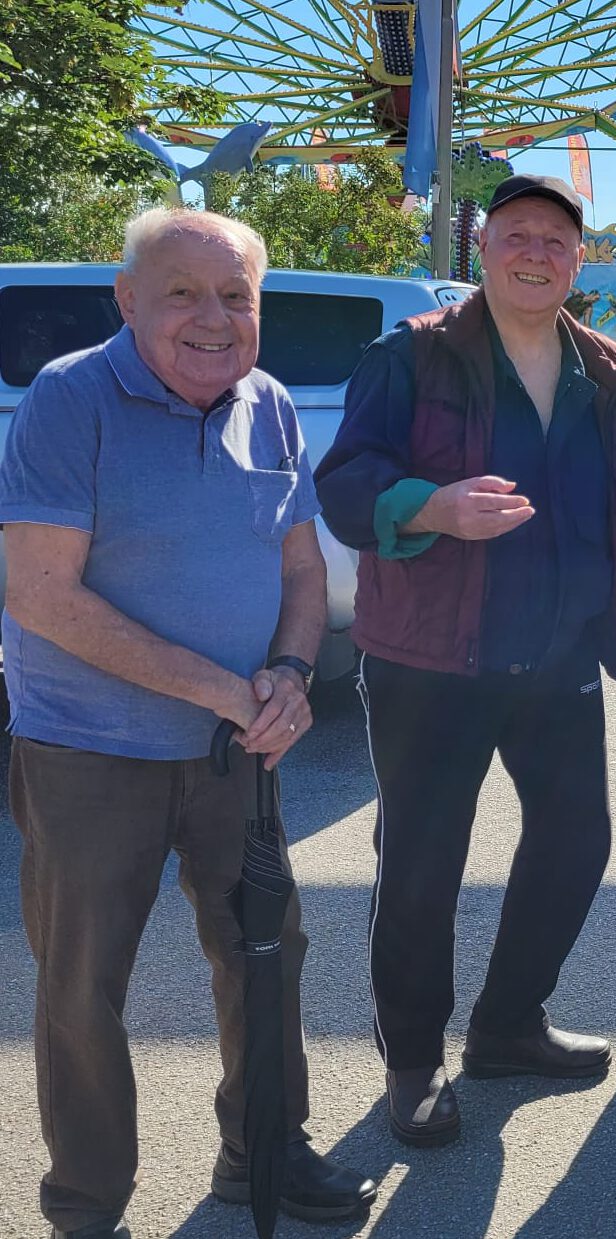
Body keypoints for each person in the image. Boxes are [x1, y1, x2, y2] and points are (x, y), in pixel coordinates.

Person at [0, 208, 375, 1238]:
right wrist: (221, 688)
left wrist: (293, 670)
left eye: (236, 296)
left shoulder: (269, 405)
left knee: (266, 953)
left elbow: (301, 569)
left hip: (234, 753)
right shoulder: (68, 401)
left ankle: (265, 1155)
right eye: (182, 293)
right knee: (84, 986)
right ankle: (87, 1206)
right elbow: (39, 595)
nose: (213, 319)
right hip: (89, 751)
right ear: (127, 300)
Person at [315, 174, 616, 1147]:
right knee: (421, 863)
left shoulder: (611, 372)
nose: (535, 250)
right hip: (431, 660)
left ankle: (507, 1025)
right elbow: (343, 488)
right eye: (516, 235)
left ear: (577, 260)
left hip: (557, 660)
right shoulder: (411, 356)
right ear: (481, 248)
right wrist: (431, 507)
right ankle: (412, 1064)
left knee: (576, 839)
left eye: (555, 237)